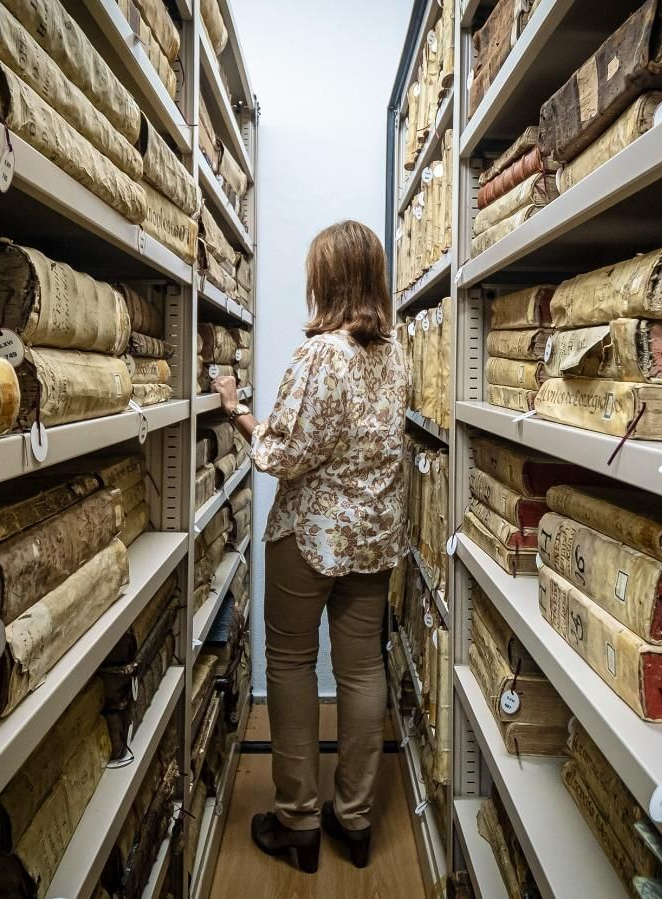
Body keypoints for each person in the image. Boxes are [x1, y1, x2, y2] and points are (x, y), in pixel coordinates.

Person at [212, 220, 409, 874]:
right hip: (374, 537)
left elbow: (281, 453)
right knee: (361, 669)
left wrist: (237, 407)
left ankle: (297, 819)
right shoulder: (397, 353)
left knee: (292, 661)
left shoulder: (323, 354)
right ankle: (353, 819)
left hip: (312, 535)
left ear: (325, 280)